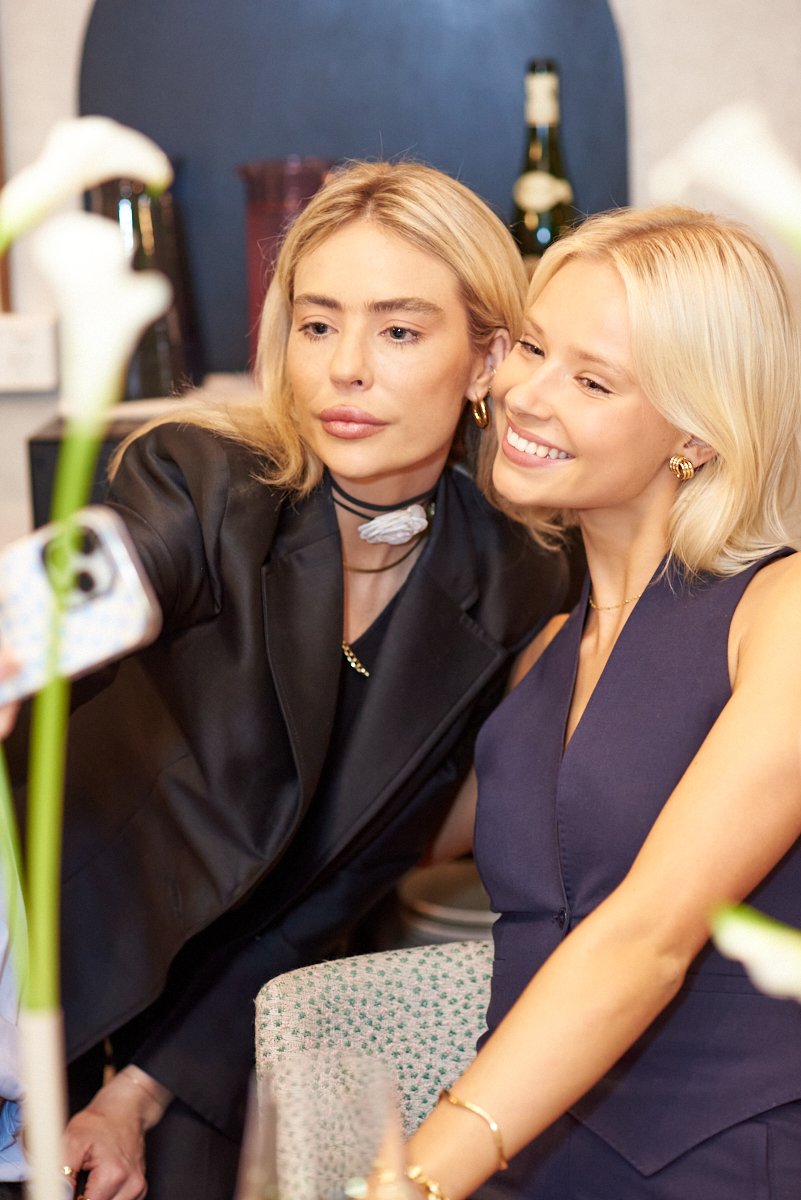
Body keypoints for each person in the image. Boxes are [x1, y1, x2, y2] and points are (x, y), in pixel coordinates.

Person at [5, 161, 566, 1200]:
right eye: (318, 325)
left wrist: (138, 1094)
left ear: (487, 359)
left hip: (206, 1031)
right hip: (46, 974)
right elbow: (108, 567)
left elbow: (344, 882)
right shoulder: (198, 482)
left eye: (399, 331)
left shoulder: (514, 577)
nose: (345, 367)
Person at [398, 205, 801, 1199]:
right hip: (517, 1152)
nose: (526, 396)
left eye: (592, 379)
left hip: (719, 1163)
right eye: (531, 347)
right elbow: (365, 846)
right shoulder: (542, 654)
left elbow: (647, 936)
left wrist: (406, 1181)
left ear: (700, 436)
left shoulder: (781, 614)